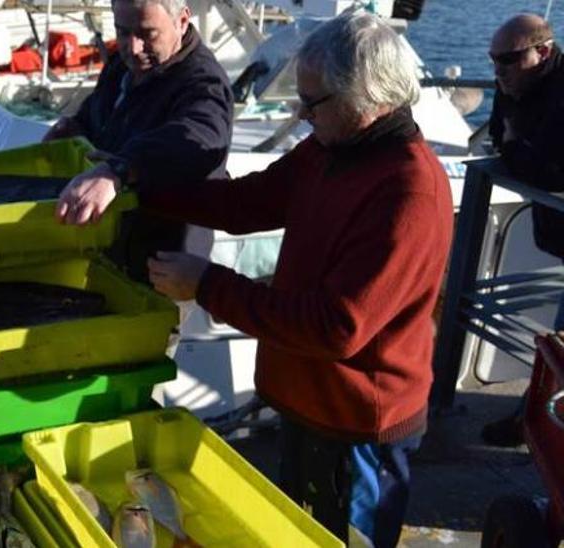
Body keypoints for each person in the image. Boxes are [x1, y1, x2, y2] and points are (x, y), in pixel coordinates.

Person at [133, 13, 452, 547]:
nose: (302, 114)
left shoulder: (409, 192)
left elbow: (336, 327)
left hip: (356, 428)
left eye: (314, 102)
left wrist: (207, 284)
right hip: (306, 405)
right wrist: (139, 182)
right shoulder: (331, 147)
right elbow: (245, 203)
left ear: (369, 100)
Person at [46, 0, 232, 282]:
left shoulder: (203, 85)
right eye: (122, 32)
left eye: (148, 34)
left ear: (181, 22)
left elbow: (197, 140)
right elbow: (98, 114)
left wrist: (119, 169)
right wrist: (74, 128)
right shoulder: (122, 67)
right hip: (108, 255)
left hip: (161, 273)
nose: (133, 47)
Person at [481, 13, 564, 448]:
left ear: (544, 51)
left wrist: (518, 146)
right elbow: (502, 136)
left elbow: (552, 171)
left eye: (509, 59)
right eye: (494, 60)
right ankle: (533, 421)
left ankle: (535, 426)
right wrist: (518, 146)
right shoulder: (513, 86)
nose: (499, 70)